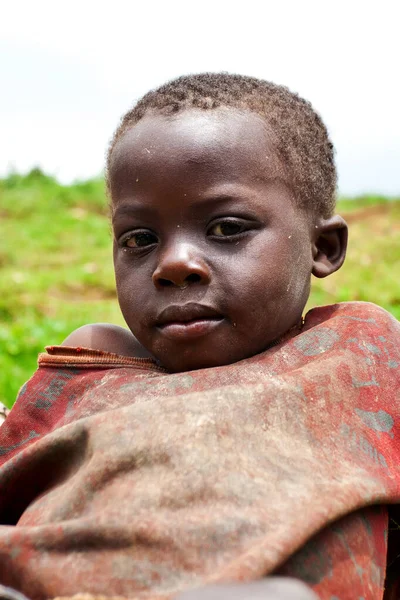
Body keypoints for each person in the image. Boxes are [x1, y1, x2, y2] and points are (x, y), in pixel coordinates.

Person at [0, 73, 399, 600]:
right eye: (139, 239)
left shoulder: (359, 349)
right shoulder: (95, 361)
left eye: (228, 228)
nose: (173, 264)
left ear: (321, 247)